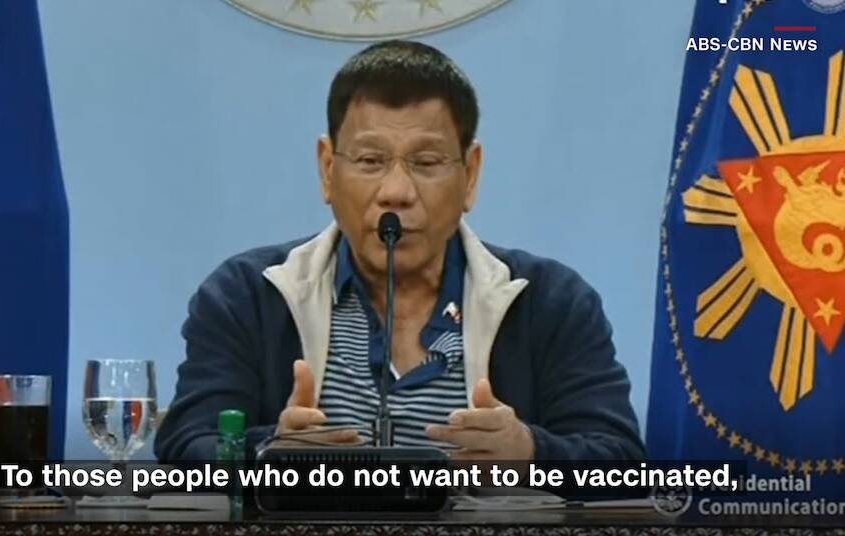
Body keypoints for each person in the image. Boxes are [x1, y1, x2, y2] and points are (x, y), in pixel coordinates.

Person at [155, 40, 645, 471]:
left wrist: (531, 453)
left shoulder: (551, 302)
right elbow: (184, 449)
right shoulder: (247, 295)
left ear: (470, 174)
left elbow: (621, 462)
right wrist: (270, 455)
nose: (396, 192)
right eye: (370, 161)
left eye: (426, 162)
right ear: (327, 170)